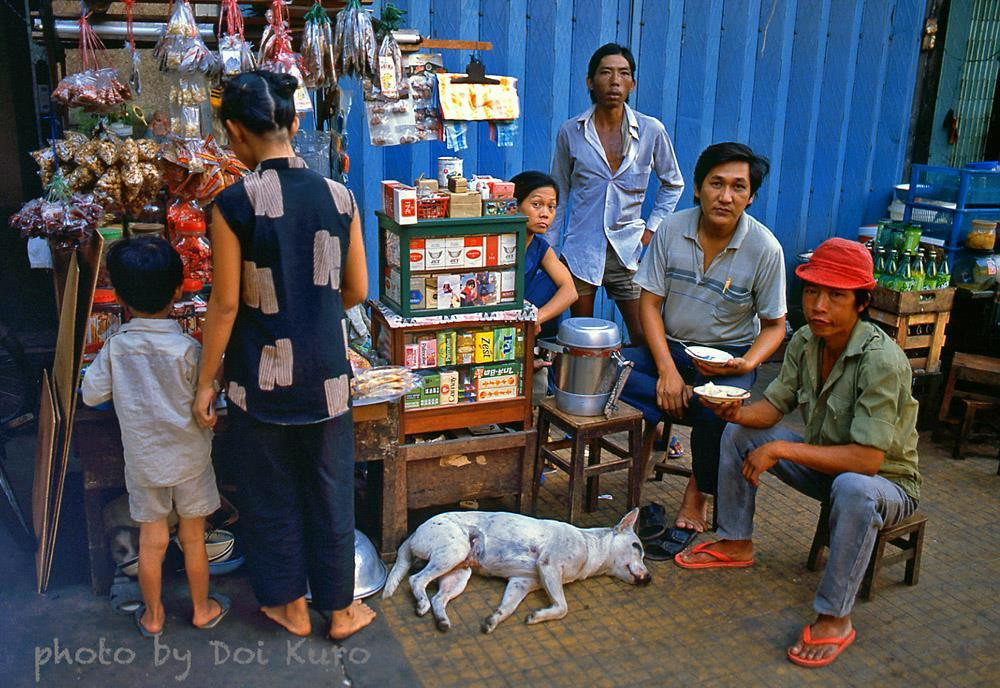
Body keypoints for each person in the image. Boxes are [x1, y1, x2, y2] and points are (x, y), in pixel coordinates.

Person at [675, 238, 921, 669]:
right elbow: (774, 407)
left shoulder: (882, 360)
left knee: (854, 488)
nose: (819, 305)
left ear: (861, 303)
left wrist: (781, 447)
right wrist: (732, 411)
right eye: (811, 292)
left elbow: (867, 462)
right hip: (828, 465)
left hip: (886, 486)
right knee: (737, 434)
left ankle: (834, 615)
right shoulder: (807, 340)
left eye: (835, 296)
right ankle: (736, 541)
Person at [192, 71, 373, 641]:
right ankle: (342, 611)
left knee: (271, 495)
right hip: (326, 378)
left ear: (233, 134)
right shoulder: (340, 196)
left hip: (259, 382)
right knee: (330, 492)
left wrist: (205, 384)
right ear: (296, 124)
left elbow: (223, 306)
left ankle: (290, 608)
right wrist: (311, 313)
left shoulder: (231, 204)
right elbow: (357, 290)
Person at [623, 142, 787, 538]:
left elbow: (775, 326)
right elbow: (650, 305)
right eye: (716, 184)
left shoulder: (765, 248)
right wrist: (667, 371)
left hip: (728, 359)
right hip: (670, 346)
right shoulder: (672, 230)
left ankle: (698, 492)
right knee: (608, 372)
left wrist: (747, 364)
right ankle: (687, 405)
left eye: (738, 187)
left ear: (751, 197)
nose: (725, 196)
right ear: (698, 188)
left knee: (719, 407)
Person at [82, 235, 228, 637]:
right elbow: (210, 394)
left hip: (145, 462)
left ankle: (154, 616)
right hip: (191, 460)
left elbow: (92, 394)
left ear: (121, 298)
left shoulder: (116, 348)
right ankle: (201, 609)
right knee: (194, 537)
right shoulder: (187, 349)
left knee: (152, 539)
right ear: (179, 291)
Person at [550, 43, 684, 346]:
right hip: (581, 249)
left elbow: (673, 183)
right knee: (578, 335)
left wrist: (651, 230)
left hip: (628, 249)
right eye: (606, 73)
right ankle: (584, 391)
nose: (615, 81)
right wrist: (549, 249)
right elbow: (559, 192)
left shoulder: (651, 130)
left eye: (623, 73)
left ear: (632, 84)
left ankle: (633, 390)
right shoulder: (571, 131)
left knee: (643, 335)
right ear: (590, 81)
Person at [510, 171, 578, 403]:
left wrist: (537, 318)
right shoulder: (499, 241)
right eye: (536, 204)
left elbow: (570, 291)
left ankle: (541, 358)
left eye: (551, 207)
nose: (545, 214)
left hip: (524, 320)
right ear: (514, 205)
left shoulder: (540, 246)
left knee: (554, 282)